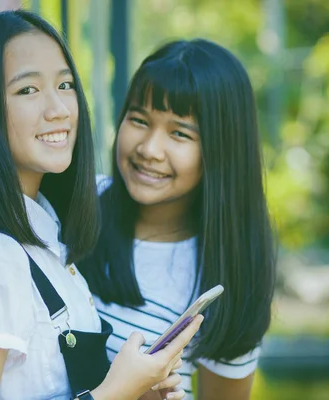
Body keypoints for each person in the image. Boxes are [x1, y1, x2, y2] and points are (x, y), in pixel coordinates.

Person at [0, 11, 202, 400]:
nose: (59, 109)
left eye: (65, 84)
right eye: (28, 90)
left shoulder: (47, 240)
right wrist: (116, 392)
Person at [79, 39, 277, 400]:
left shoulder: (229, 274)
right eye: (139, 120)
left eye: (179, 133)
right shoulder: (77, 205)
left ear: (221, 150)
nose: (149, 149)